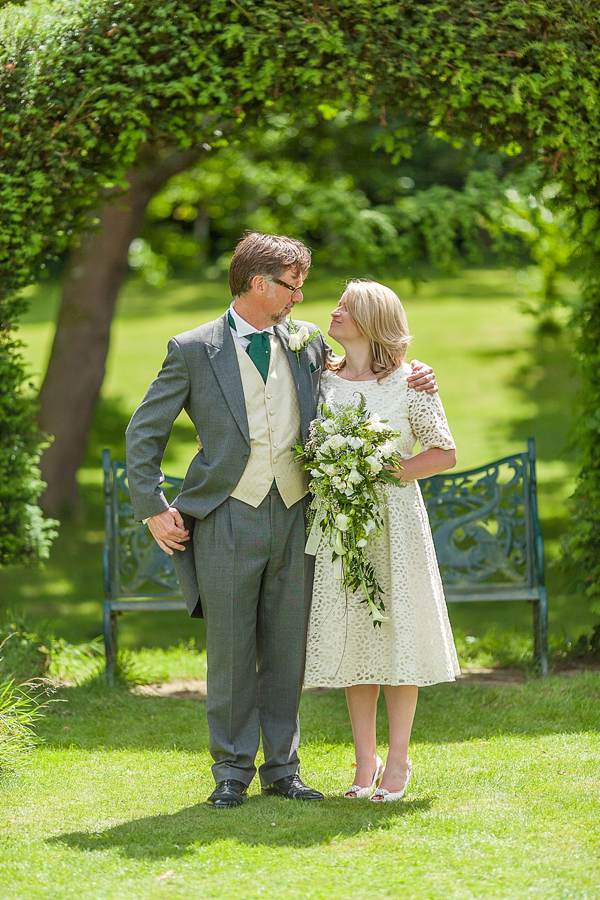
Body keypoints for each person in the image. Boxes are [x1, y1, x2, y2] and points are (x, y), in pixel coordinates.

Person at [125, 234, 437, 809]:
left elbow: (366, 374)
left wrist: (416, 373)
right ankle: (230, 771)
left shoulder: (307, 344)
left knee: (287, 647)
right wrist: (152, 505)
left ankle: (283, 770)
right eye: (292, 285)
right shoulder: (193, 349)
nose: (301, 297)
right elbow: (145, 431)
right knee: (232, 648)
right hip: (225, 515)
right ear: (258, 284)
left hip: (300, 513)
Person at [304, 279, 460, 802]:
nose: (335, 312)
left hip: (395, 526)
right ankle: (363, 762)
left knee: (397, 639)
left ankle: (398, 760)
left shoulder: (410, 383)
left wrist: (382, 469)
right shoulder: (320, 380)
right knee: (355, 638)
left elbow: (443, 452)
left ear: (373, 320)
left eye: (346, 308)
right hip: (340, 528)